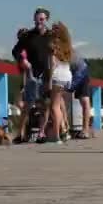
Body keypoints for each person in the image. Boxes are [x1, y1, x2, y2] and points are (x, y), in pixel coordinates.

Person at [11, 8, 53, 143]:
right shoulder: (28, 35)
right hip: (32, 74)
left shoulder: (51, 36)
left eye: (42, 19)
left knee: (45, 105)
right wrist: (22, 60)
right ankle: (20, 134)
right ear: (34, 19)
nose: (39, 21)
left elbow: (58, 53)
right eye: (37, 18)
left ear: (46, 20)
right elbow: (16, 50)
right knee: (28, 105)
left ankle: (41, 133)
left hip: (47, 75)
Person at [37, 21, 73, 144]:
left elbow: (52, 63)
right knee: (58, 105)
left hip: (57, 76)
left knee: (54, 107)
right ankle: (63, 131)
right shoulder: (66, 44)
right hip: (67, 76)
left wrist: (50, 81)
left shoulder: (53, 44)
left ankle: (57, 136)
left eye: (53, 29)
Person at [64, 50, 92, 139]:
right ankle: (65, 128)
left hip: (80, 72)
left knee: (84, 101)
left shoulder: (64, 50)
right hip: (73, 72)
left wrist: (70, 87)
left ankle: (85, 129)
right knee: (64, 102)